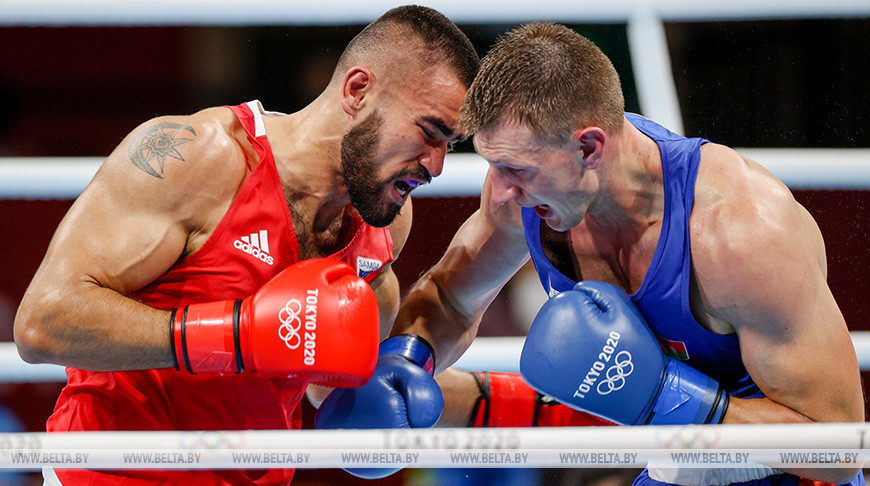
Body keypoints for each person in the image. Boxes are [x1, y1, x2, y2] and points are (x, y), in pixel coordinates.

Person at [317, 22, 865, 486]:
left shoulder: (739, 234)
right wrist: (406, 359)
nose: (501, 190)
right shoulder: (521, 194)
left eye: (516, 169)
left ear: (588, 146)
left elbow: (837, 447)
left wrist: (663, 398)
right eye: (493, 165)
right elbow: (452, 300)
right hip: (676, 465)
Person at [13, 6, 479, 485]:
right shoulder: (200, 158)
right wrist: (234, 337)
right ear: (357, 90)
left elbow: (324, 380)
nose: (436, 167)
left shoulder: (385, 222)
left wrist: (379, 397)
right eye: (429, 133)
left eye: (450, 145)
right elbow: (41, 324)